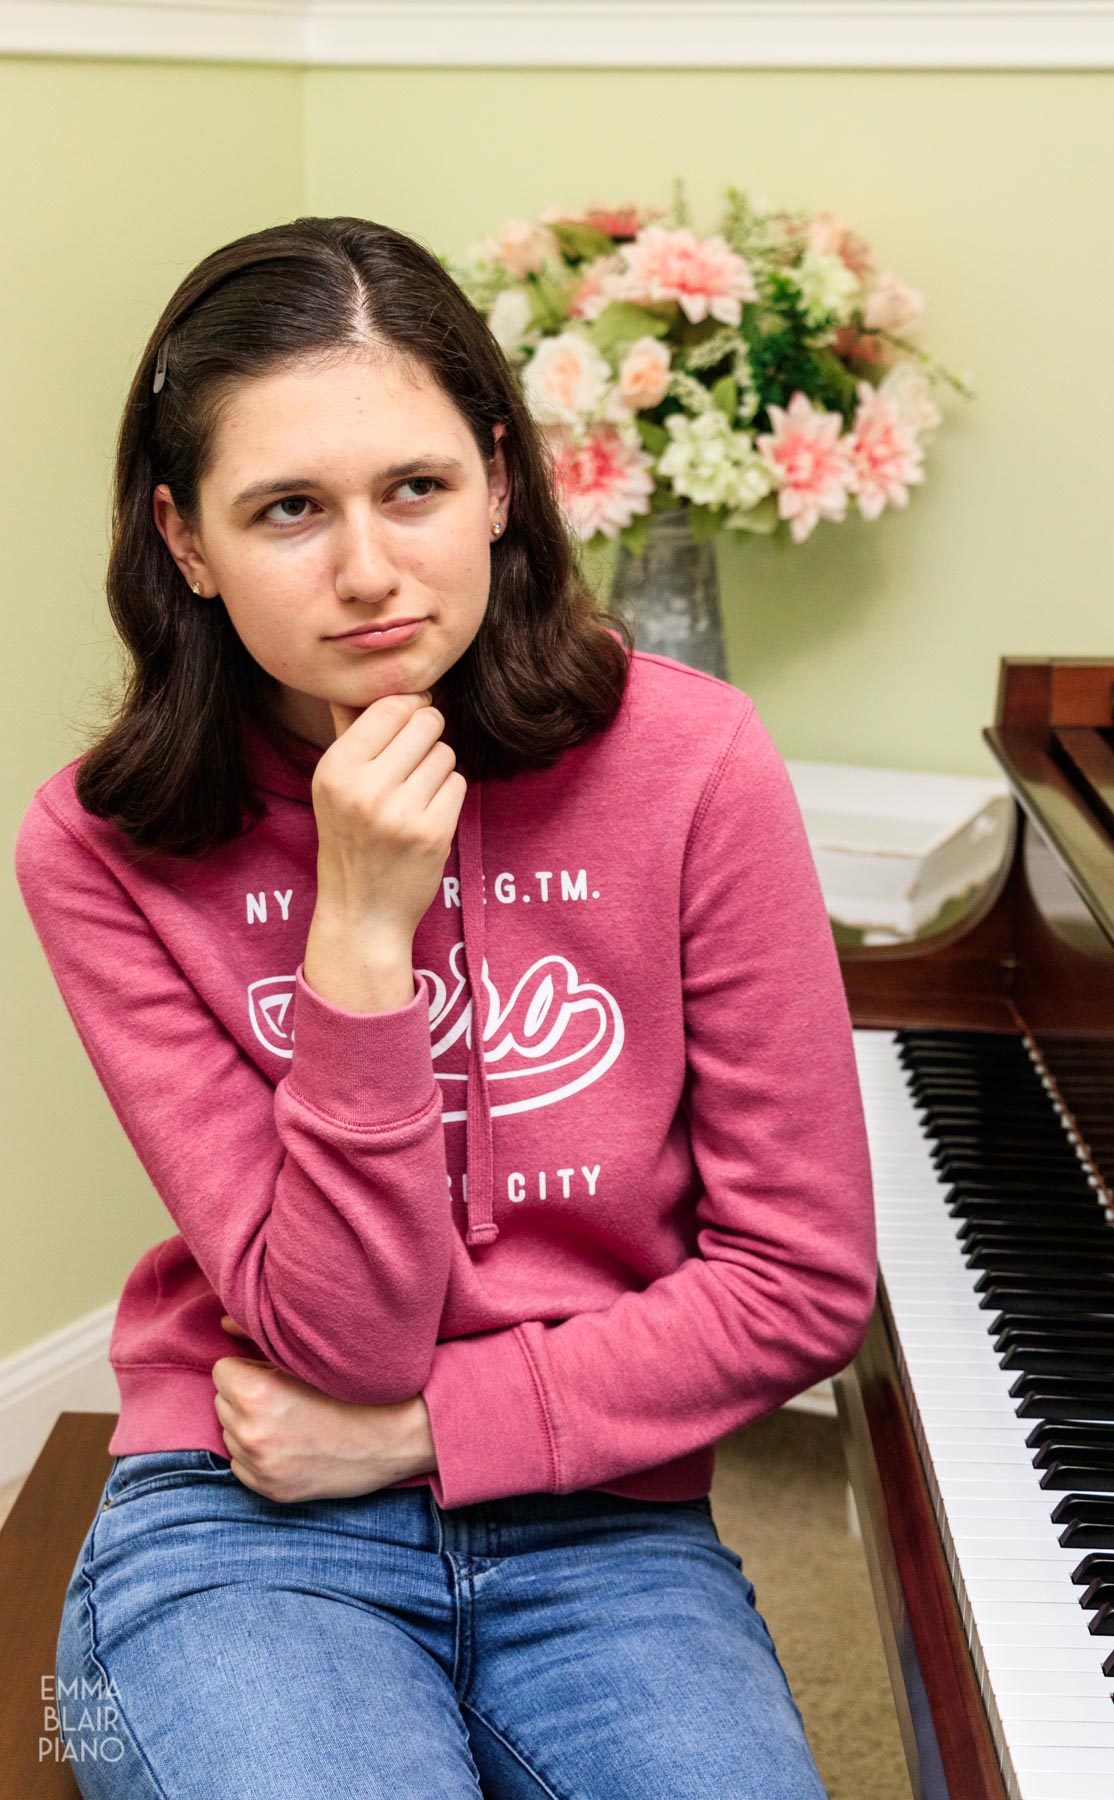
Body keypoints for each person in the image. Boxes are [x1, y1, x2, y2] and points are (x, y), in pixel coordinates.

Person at [13, 214, 877, 1799]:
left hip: (603, 1521)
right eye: (286, 510)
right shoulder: (101, 843)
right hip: (243, 1510)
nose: (368, 571)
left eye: (414, 488)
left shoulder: (692, 765)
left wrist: (425, 1434)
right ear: (184, 542)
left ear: (497, 477)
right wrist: (356, 931)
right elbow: (335, 1334)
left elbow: (802, 1283)